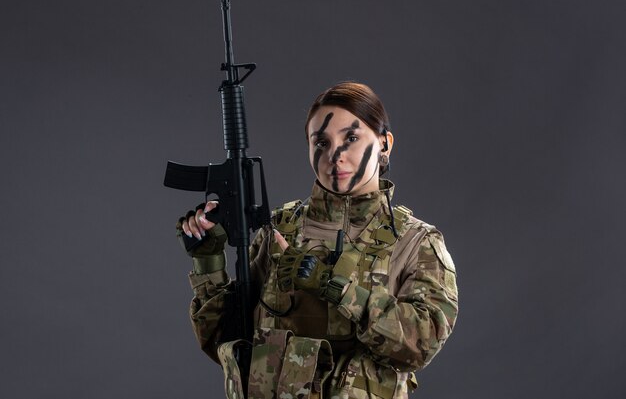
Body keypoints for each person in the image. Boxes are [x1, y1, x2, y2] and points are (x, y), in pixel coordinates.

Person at [177, 82, 458, 399]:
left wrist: (336, 285)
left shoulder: (415, 242)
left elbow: (420, 346)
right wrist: (208, 262)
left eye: (350, 138)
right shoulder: (279, 232)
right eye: (321, 142)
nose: (335, 155)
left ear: (384, 143)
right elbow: (226, 342)